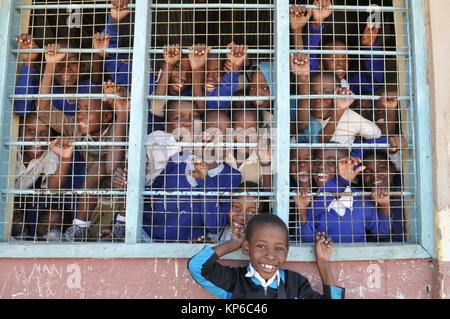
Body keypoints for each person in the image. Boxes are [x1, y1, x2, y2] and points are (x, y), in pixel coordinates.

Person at [36, 43, 130, 241]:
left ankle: (123, 223)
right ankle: (79, 229)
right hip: (94, 186)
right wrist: (50, 65)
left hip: (121, 182)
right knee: (95, 169)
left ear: (106, 117)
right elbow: (43, 109)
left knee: (120, 170)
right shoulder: (77, 128)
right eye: (79, 109)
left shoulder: (119, 125)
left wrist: (121, 113)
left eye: (88, 110)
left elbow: (112, 166)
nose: (80, 115)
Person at [188, 213, 345, 299]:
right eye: (261, 246)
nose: (270, 255)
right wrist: (232, 244)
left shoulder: (295, 284)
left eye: (279, 248)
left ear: (286, 253)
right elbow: (197, 266)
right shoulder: (234, 282)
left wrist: (323, 263)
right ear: (247, 248)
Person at [292, 148, 392, 243]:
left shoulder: (361, 198)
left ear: (349, 166)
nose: (321, 167)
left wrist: (384, 205)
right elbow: (304, 242)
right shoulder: (308, 198)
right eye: (317, 162)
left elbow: (382, 233)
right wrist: (303, 211)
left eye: (331, 162)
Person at [12, 112, 84, 241]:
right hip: (7, 197)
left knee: (17, 216)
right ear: (20, 131)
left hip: (13, 199)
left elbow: (53, 188)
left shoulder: (50, 151)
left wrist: (65, 159)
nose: (37, 139)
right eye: (30, 131)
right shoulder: (9, 147)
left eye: (44, 134)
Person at [14, 34, 100, 118]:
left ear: (82, 67)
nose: (66, 68)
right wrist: (29, 61)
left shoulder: (90, 89)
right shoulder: (41, 88)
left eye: (73, 62)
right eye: (58, 62)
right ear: (46, 67)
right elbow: (21, 109)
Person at [297, 72, 381, 144]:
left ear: (337, 93)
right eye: (312, 93)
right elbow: (319, 141)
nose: (319, 99)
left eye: (326, 93)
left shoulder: (351, 117)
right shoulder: (303, 114)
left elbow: (377, 135)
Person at [362, 150, 405, 242]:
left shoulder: (407, 193)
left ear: (392, 169)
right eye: (367, 171)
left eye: (381, 168)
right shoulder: (362, 201)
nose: (375, 175)